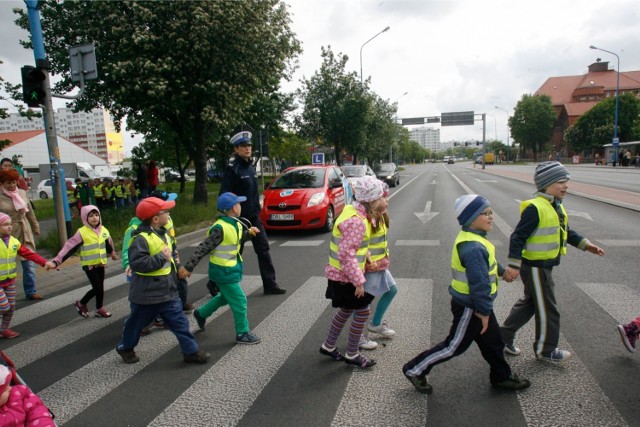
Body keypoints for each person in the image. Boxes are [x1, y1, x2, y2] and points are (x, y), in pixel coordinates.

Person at [403, 195, 531, 394]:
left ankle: (502, 376)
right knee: (454, 346)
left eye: (491, 213)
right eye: (485, 214)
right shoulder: (472, 247)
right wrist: (484, 312)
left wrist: (502, 271)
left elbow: (486, 265)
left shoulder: (476, 240)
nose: (490, 217)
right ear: (470, 218)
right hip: (471, 308)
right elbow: (479, 284)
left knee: (494, 342)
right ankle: (414, 369)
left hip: (478, 306)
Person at [500, 161, 605, 363]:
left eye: (566, 181)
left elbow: (564, 233)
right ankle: (546, 350)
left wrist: (586, 244)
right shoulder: (536, 208)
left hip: (543, 267)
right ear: (546, 184)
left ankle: (502, 338)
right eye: (560, 181)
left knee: (530, 304)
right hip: (536, 268)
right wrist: (514, 265)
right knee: (548, 309)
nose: (565, 185)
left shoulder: (555, 206)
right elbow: (517, 237)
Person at [115, 197, 209, 364]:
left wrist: (178, 268)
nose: (169, 213)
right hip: (146, 295)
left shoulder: (163, 233)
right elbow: (138, 264)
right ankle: (125, 347)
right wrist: (161, 257)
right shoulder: (140, 238)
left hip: (167, 291)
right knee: (135, 324)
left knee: (180, 322)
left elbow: (170, 258)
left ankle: (191, 351)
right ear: (155, 219)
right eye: (165, 211)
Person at [319, 176, 388, 369]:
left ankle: (329, 345)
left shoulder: (352, 211)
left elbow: (355, 247)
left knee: (347, 310)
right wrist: (358, 281)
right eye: (380, 197)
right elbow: (346, 255)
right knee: (362, 310)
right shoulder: (357, 221)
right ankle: (352, 353)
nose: (383, 201)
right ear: (371, 200)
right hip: (346, 277)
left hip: (341, 275)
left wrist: (366, 260)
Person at [178, 192, 262, 345]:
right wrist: (189, 266)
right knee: (240, 300)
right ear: (234, 209)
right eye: (239, 204)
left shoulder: (235, 223)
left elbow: (235, 241)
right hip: (223, 271)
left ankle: (201, 313)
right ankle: (242, 333)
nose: (240, 206)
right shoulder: (220, 228)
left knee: (225, 297)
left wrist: (248, 235)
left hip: (231, 269)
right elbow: (203, 248)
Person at [219, 127, 285, 295]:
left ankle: (270, 285)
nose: (247, 148)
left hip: (253, 218)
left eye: (248, 145)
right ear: (236, 149)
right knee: (233, 254)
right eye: (243, 145)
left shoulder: (250, 167)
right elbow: (224, 196)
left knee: (263, 249)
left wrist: (258, 204)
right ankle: (216, 284)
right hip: (238, 219)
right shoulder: (232, 169)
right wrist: (230, 216)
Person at [46, 205, 118, 318]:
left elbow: (108, 243)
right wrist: (56, 261)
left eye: (96, 215)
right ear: (85, 217)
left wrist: (112, 253)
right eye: (91, 216)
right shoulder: (82, 233)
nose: (94, 218)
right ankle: (81, 303)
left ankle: (99, 308)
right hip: (88, 265)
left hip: (100, 264)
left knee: (100, 287)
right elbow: (69, 247)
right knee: (97, 287)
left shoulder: (104, 230)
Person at [0, 213, 49, 338]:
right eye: (5, 225)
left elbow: (29, 254)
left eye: (11, 224)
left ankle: (4, 329)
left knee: (11, 307)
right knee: (4, 307)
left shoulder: (13, 241)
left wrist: (45, 262)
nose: (10, 227)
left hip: (9, 280)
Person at [359, 195, 397, 351]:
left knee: (392, 290)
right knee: (363, 303)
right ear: (372, 200)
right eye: (383, 198)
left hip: (380, 265)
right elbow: (361, 244)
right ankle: (358, 337)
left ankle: (375, 324)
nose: (387, 201)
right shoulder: (367, 219)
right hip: (370, 267)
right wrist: (367, 262)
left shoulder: (381, 217)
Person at [0, 169, 43, 300]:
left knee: (29, 262)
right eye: (8, 183)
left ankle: (31, 291)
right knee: (6, 263)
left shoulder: (22, 193)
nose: (12, 185)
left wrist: (35, 226)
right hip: (7, 233)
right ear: (2, 183)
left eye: (14, 182)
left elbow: (29, 212)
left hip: (25, 229)